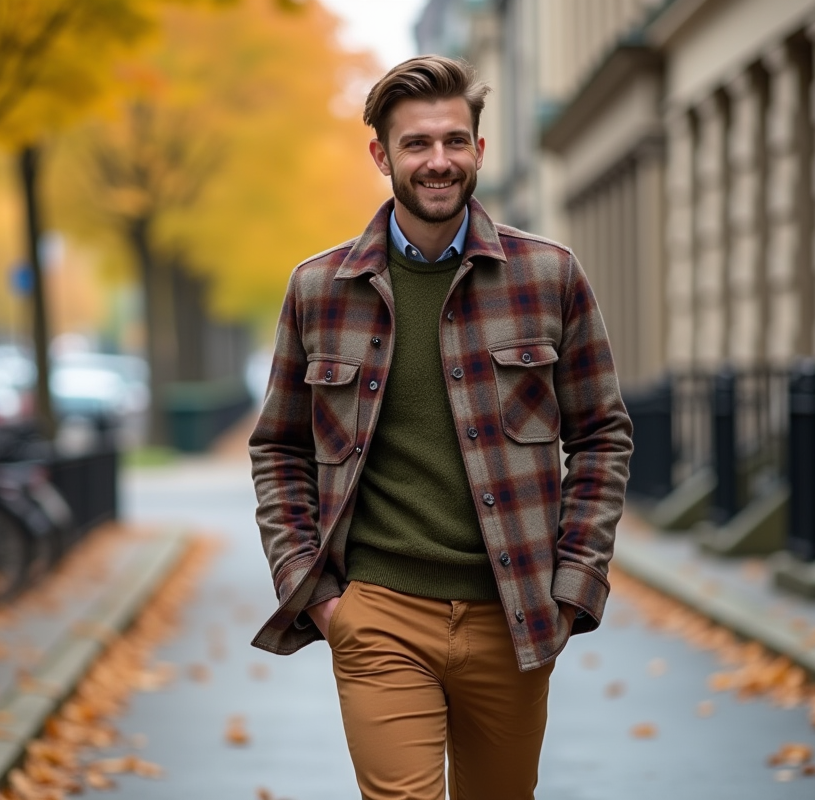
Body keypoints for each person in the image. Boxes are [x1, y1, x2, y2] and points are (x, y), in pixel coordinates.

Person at [248, 54, 633, 800]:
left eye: (455, 141)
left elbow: (602, 435)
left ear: (480, 151)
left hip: (514, 614)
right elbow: (279, 447)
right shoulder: (321, 289)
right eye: (417, 143)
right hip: (378, 615)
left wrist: (573, 587)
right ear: (381, 154)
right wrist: (317, 591)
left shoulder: (548, 276)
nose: (438, 161)